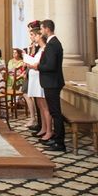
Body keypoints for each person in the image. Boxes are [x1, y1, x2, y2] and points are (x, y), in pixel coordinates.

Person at [38, 19, 66, 152]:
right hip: (51, 82)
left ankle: (60, 143)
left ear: (47, 29)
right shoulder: (53, 43)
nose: (41, 31)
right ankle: (56, 139)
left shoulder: (53, 44)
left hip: (52, 82)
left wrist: (37, 66)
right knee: (55, 112)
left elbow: (50, 65)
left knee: (56, 113)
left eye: (42, 29)